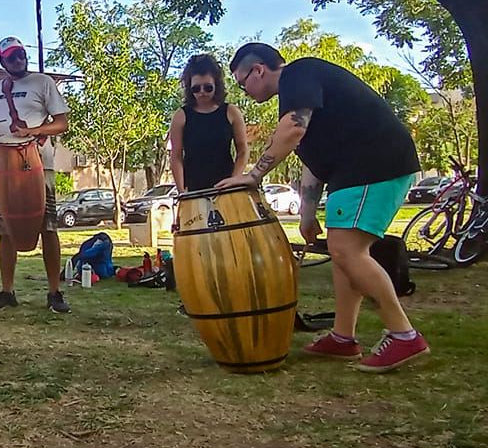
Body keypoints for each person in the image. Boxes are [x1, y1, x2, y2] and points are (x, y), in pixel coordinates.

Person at [217, 43, 429, 373]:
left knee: (348, 251)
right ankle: (343, 338)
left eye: (243, 83)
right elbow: (311, 161)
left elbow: (294, 128)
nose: (245, 92)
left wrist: (254, 175)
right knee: (343, 253)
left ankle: (403, 334)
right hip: (352, 172)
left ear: (258, 69)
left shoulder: (299, 73)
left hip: (376, 165)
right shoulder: (300, 93)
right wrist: (306, 212)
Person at [0, 36, 70, 313]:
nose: (18, 60)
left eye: (20, 54)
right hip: (5, 166)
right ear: (2, 61)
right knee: (4, 228)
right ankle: (7, 291)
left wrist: (32, 131)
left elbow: (62, 123)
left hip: (39, 163)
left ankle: (54, 291)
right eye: (11, 57)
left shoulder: (43, 82)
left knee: (49, 227)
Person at [169, 53, 249, 192]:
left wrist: (234, 180)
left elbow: (242, 150)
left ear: (216, 85)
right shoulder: (181, 116)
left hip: (226, 189)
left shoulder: (231, 112)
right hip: (193, 191)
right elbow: (176, 156)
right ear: (189, 88)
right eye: (196, 88)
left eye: (208, 87)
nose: (202, 92)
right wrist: (181, 191)